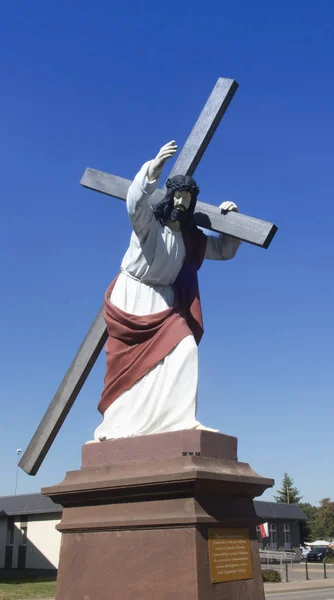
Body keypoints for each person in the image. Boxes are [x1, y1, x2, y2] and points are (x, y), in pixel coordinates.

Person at [92, 141, 241, 441]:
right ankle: (119, 426)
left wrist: (230, 221)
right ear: (168, 198)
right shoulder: (148, 226)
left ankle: (181, 420)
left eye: (185, 203)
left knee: (184, 347)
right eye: (176, 199)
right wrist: (152, 169)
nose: (179, 206)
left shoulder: (188, 241)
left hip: (163, 303)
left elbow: (224, 250)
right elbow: (135, 203)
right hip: (131, 297)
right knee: (127, 369)